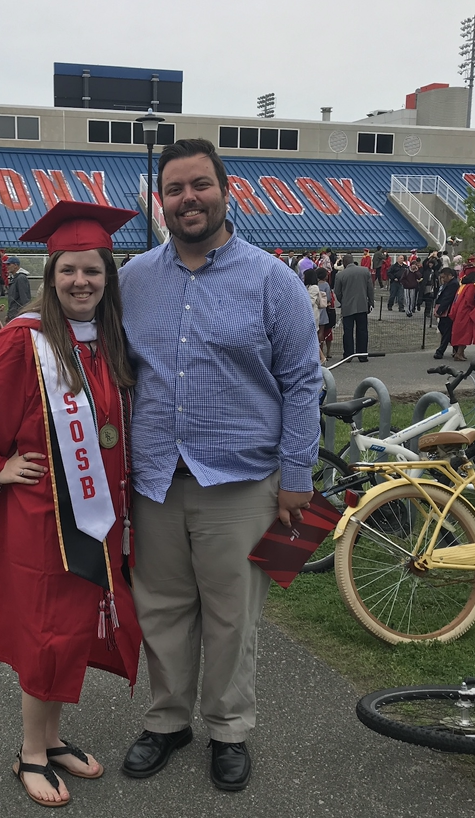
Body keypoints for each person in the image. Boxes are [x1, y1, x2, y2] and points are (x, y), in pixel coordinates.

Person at [119, 139, 322, 792]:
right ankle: (168, 719)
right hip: (155, 480)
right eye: (175, 189)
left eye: (200, 185)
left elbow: (301, 381)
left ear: (225, 189)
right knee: (163, 610)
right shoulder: (133, 279)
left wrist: (298, 478)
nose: (188, 199)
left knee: (234, 616)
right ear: (162, 201)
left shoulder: (273, 281)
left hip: (241, 482)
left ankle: (229, 728)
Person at [0, 201, 142, 808]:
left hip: (95, 515)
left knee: (70, 627)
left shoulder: (107, 340)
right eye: (69, 270)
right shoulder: (24, 342)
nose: (81, 282)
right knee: (44, 629)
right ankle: (29, 753)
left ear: (108, 279)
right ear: (51, 277)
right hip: (40, 517)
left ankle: (50, 740)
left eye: (93, 272)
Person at [333, 253, 374, 362]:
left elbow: (337, 292)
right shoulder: (365, 271)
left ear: (344, 263)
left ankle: (348, 355)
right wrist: (370, 302)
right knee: (362, 331)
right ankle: (362, 355)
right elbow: (370, 288)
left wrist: (343, 300)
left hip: (347, 307)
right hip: (362, 305)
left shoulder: (340, 275)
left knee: (348, 332)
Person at [432, 268, 459, 360]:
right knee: (443, 328)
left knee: (446, 330)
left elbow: (448, 298)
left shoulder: (453, 284)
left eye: (444, 277)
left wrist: (440, 310)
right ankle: (456, 347)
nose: (443, 279)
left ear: (449, 275)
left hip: (448, 310)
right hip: (444, 309)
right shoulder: (448, 283)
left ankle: (440, 351)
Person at [6, 255, 31, 320]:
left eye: (8, 264)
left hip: (18, 314)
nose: (7, 266)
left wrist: (25, 313)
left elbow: (24, 298)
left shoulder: (21, 278)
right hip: (14, 313)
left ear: (15, 265)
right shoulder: (14, 277)